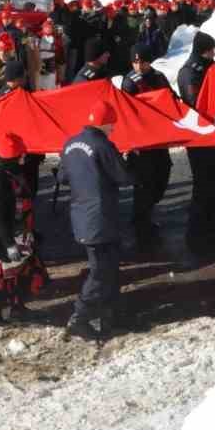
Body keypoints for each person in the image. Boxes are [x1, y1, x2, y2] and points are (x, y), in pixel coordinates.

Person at [61, 103, 132, 341]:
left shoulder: (70, 144)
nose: (113, 128)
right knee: (102, 270)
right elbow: (123, 177)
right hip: (102, 217)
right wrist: (128, 160)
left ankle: (110, 315)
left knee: (109, 267)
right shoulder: (103, 145)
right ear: (103, 123)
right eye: (112, 123)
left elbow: (62, 176)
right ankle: (79, 317)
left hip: (82, 215)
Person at [0, 133, 48, 327]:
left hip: (15, 230)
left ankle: (17, 308)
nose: (24, 158)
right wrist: (9, 244)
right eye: (21, 155)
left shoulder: (9, 172)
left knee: (20, 272)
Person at [177, 31, 215, 258]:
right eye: (211, 49)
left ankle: (211, 223)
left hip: (212, 134)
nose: (214, 53)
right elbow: (195, 103)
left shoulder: (210, 66)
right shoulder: (189, 73)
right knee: (203, 183)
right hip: (197, 136)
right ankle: (196, 230)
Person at [122, 45, 173, 245]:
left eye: (142, 61)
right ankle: (141, 224)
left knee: (162, 176)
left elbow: (171, 100)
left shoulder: (159, 77)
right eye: (135, 62)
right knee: (144, 184)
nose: (138, 66)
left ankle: (147, 212)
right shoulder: (129, 82)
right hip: (141, 143)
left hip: (159, 139)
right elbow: (126, 111)